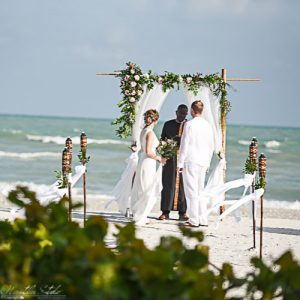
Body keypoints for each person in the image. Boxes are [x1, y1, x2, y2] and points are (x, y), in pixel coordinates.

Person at [178, 100, 214, 227]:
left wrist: (180, 163)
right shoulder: (208, 125)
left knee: (191, 192)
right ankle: (203, 218)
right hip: (203, 161)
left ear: (192, 111)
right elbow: (211, 146)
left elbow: (184, 144)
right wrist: (208, 163)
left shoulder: (189, 124)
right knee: (200, 191)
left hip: (191, 160)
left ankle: (194, 220)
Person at [131, 109, 166, 225]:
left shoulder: (143, 131)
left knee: (142, 187)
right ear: (155, 120)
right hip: (148, 162)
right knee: (147, 188)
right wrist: (159, 158)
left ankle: (140, 214)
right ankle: (142, 216)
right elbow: (148, 151)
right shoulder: (150, 133)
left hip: (143, 161)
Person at [159, 104, 189, 221]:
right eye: (181, 113)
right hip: (170, 158)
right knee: (167, 185)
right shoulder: (168, 124)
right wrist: (167, 144)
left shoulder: (188, 125)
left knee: (182, 185)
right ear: (176, 112)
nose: (182, 115)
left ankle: (183, 212)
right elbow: (162, 139)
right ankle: (165, 212)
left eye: (185, 114)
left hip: (183, 158)